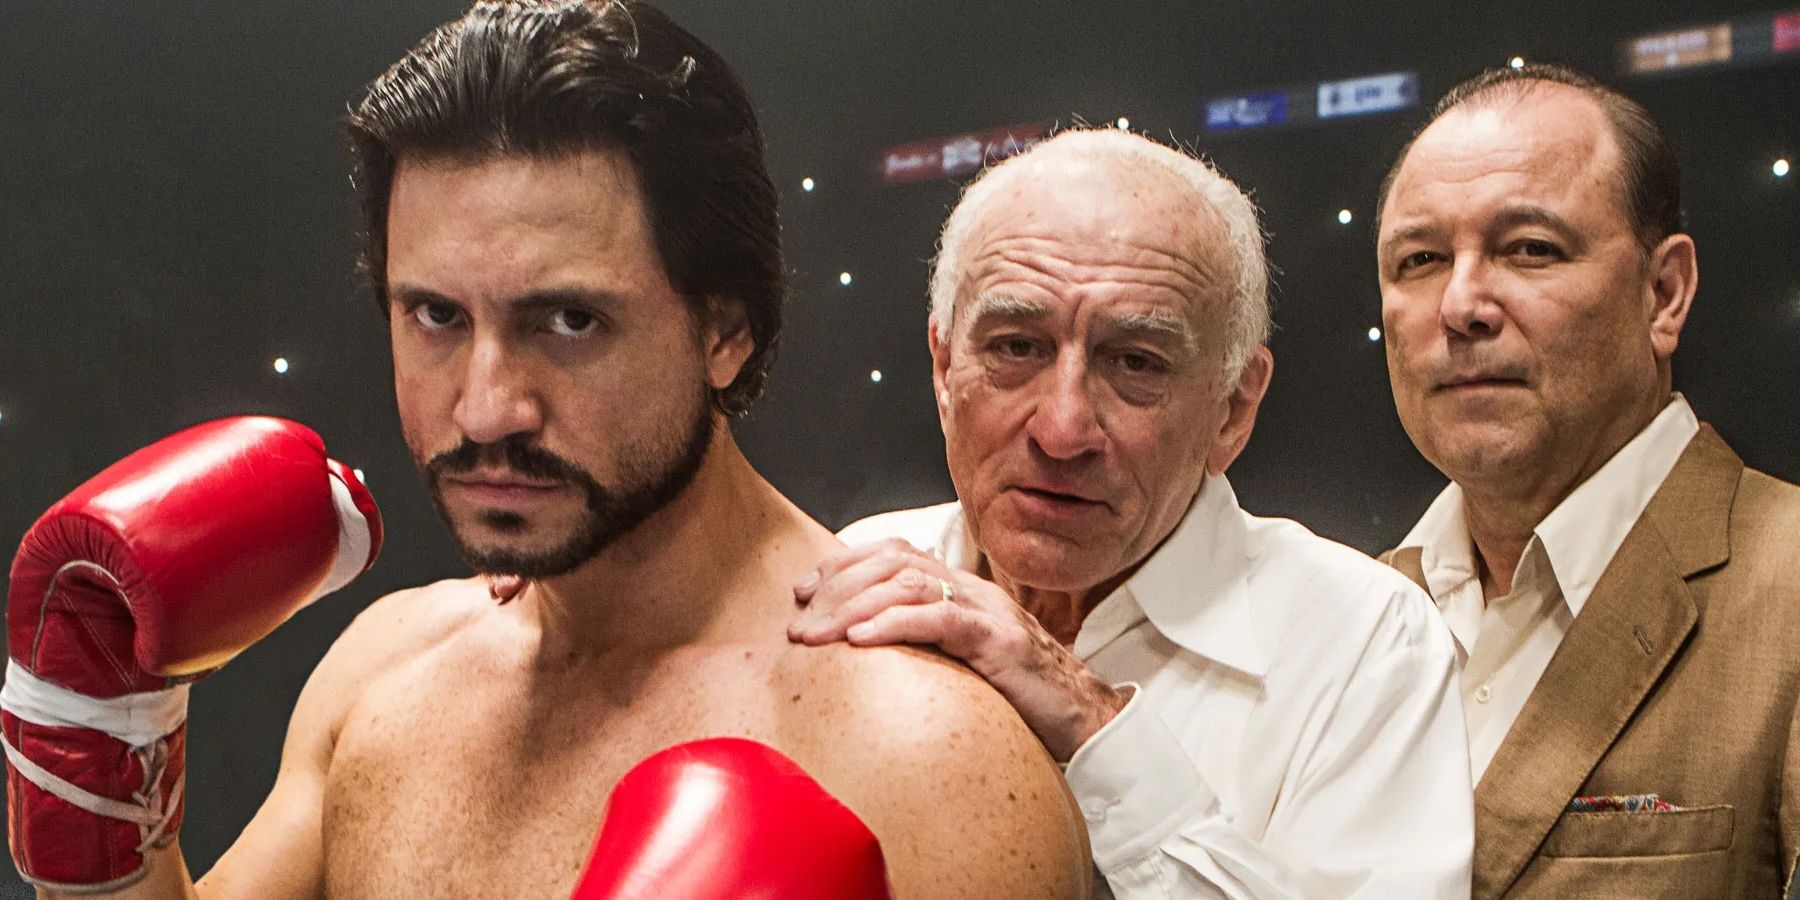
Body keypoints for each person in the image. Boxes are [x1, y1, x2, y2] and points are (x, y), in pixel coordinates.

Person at [1, 2, 1092, 897]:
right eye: (433, 316)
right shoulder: (386, 674)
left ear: (726, 329)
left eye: (568, 321)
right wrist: (97, 763)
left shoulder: (927, 761)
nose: (485, 409)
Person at [791, 127, 1474, 898]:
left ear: (1234, 409)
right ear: (945, 368)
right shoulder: (858, 569)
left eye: (1136, 363)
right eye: (1017, 347)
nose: (1061, 428)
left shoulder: (1364, 641)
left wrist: (1091, 725)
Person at [1375, 63, 1800, 898]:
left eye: (1529, 249)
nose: (1461, 303)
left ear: (1664, 293)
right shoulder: (1352, 611)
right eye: (1419, 259)